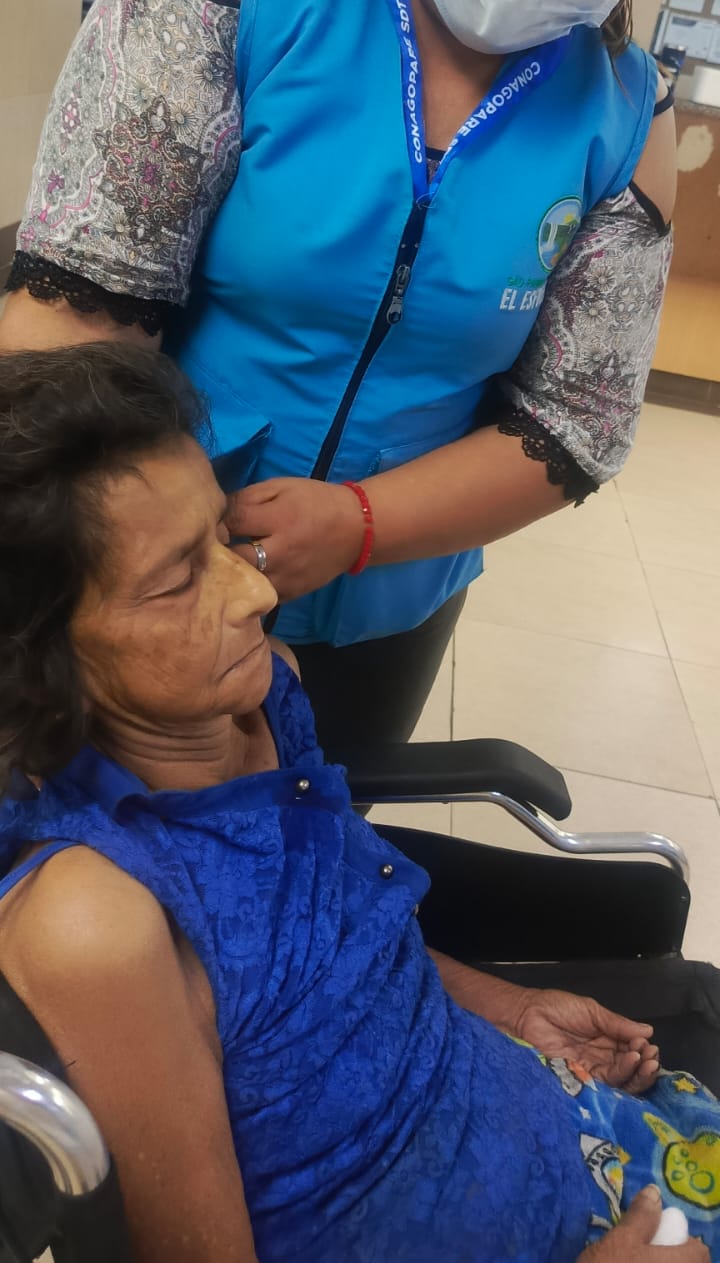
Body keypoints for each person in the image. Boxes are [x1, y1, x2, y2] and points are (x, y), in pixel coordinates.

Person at [2, 0, 719, 756]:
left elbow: (575, 425)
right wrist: (192, 568)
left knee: (324, 840)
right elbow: (67, 338)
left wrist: (361, 526)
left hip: (391, 609)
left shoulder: (624, 120)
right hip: (135, 590)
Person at [0, 341, 716, 1263]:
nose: (256, 587)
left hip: (552, 1120)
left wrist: (507, 1007)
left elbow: (335, 938)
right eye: (178, 580)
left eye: (221, 536)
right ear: (43, 662)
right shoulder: (98, 916)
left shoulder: (265, 692)